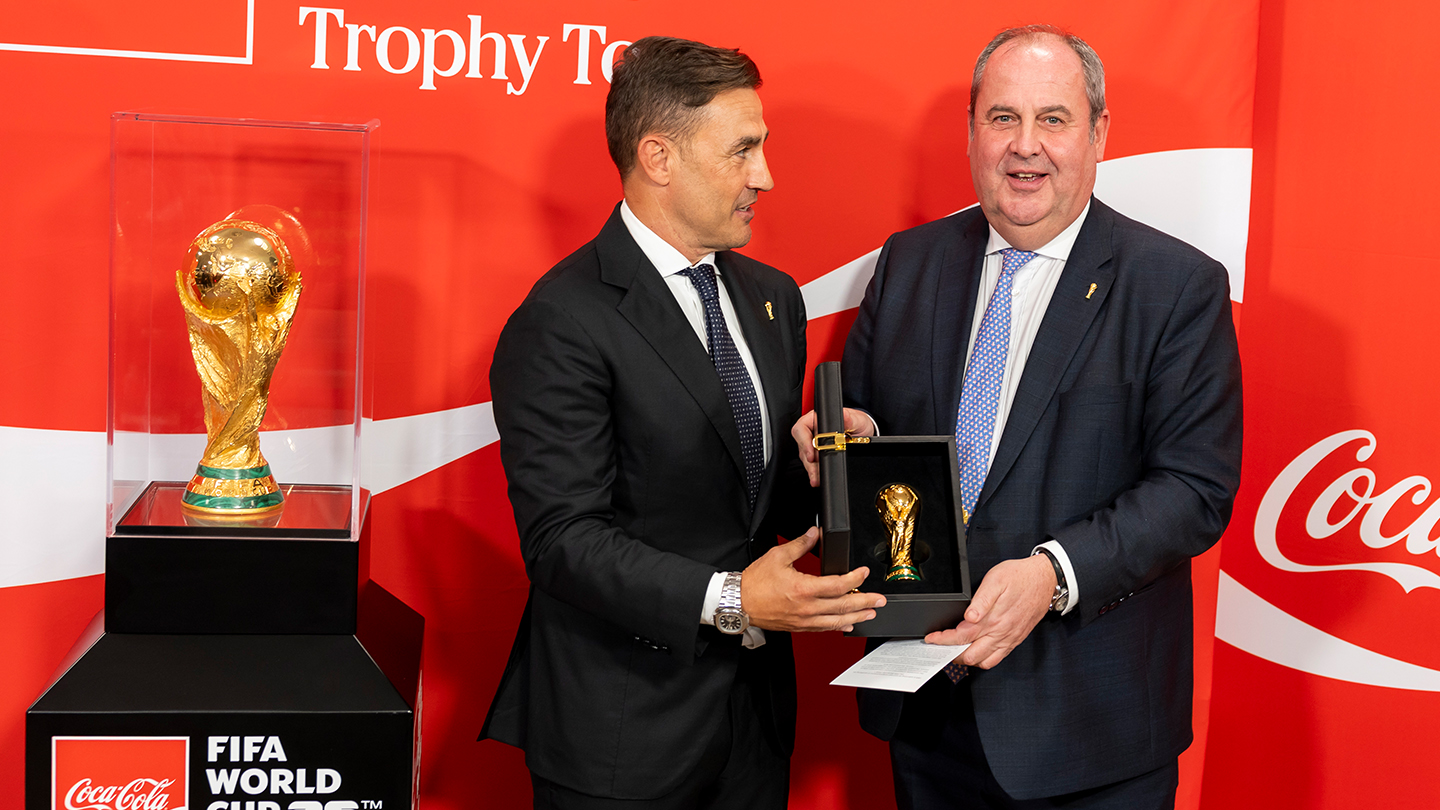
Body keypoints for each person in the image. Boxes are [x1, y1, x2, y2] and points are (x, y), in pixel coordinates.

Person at [792, 25, 1242, 809]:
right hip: (926, 713)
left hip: (1090, 734)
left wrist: (1053, 574)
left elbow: (1194, 490)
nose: (1024, 146)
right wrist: (842, 451)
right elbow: (870, 438)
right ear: (972, 131)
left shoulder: (1176, 287)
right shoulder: (909, 262)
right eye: (1002, 117)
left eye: (1053, 119)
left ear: (1099, 134)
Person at [481, 35, 886, 810]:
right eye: (743, 152)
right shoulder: (561, 319)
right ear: (658, 156)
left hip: (753, 730)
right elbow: (564, 541)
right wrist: (732, 599)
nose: (764, 177)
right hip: (622, 736)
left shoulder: (773, 298)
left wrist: (819, 466)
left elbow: (747, 504)